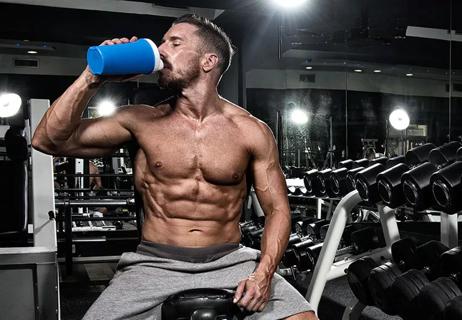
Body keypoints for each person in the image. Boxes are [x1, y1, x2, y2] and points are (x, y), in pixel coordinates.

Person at [32, 14, 317, 320]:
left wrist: (263, 273)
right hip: (154, 265)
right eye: (164, 41)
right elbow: (47, 140)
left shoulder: (251, 131)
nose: (161, 49)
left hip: (231, 261)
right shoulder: (140, 120)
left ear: (208, 61)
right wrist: (93, 76)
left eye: (175, 42)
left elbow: (277, 210)